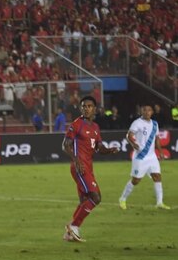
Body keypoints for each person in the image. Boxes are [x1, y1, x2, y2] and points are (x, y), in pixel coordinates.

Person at [62, 96, 119, 242]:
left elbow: (99, 148)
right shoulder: (77, 124)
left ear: (95, 109)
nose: (86, 109)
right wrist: (76, 160)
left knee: (85, 200)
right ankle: (74, 226)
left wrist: (109, 150)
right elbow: (65, 145)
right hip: (79, 167)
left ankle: (70, 233)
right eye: (84, 106)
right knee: (96, 197)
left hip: (88, 167)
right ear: (81, 108)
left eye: (89, 106)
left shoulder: (95, 127)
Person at [118, 105, 170, 210]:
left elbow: (157, 138)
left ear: (152, 112)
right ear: (141, 112)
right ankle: (122, 199)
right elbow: (129, 135)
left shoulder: (155, 124)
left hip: (152, 156)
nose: (147, 112)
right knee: (136, 180)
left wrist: (160, 151)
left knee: (157, 177)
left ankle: (159, 202)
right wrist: (133, 144)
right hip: (140, 156)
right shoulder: (137, 123)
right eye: (144, 110)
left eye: (149, 110)